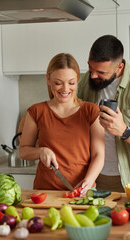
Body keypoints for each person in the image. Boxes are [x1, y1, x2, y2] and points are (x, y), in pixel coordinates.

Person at [77, 35, 130, 192]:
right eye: (90, 68)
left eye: (100, 72)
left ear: (119, 68)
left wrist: (125, 131)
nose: (93, 76)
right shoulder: (86, 83)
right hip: (95, 178)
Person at [19, 53, 105, 196]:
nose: (65, 89)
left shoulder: (91, 111)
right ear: (48, 79)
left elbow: (98, 155)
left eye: (71, 83)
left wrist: (88, 182)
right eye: (58, 83)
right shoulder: (36, 111)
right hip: (46, 192)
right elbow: (23, 151)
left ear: (78, 80)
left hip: (83, 191)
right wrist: (40, 151)